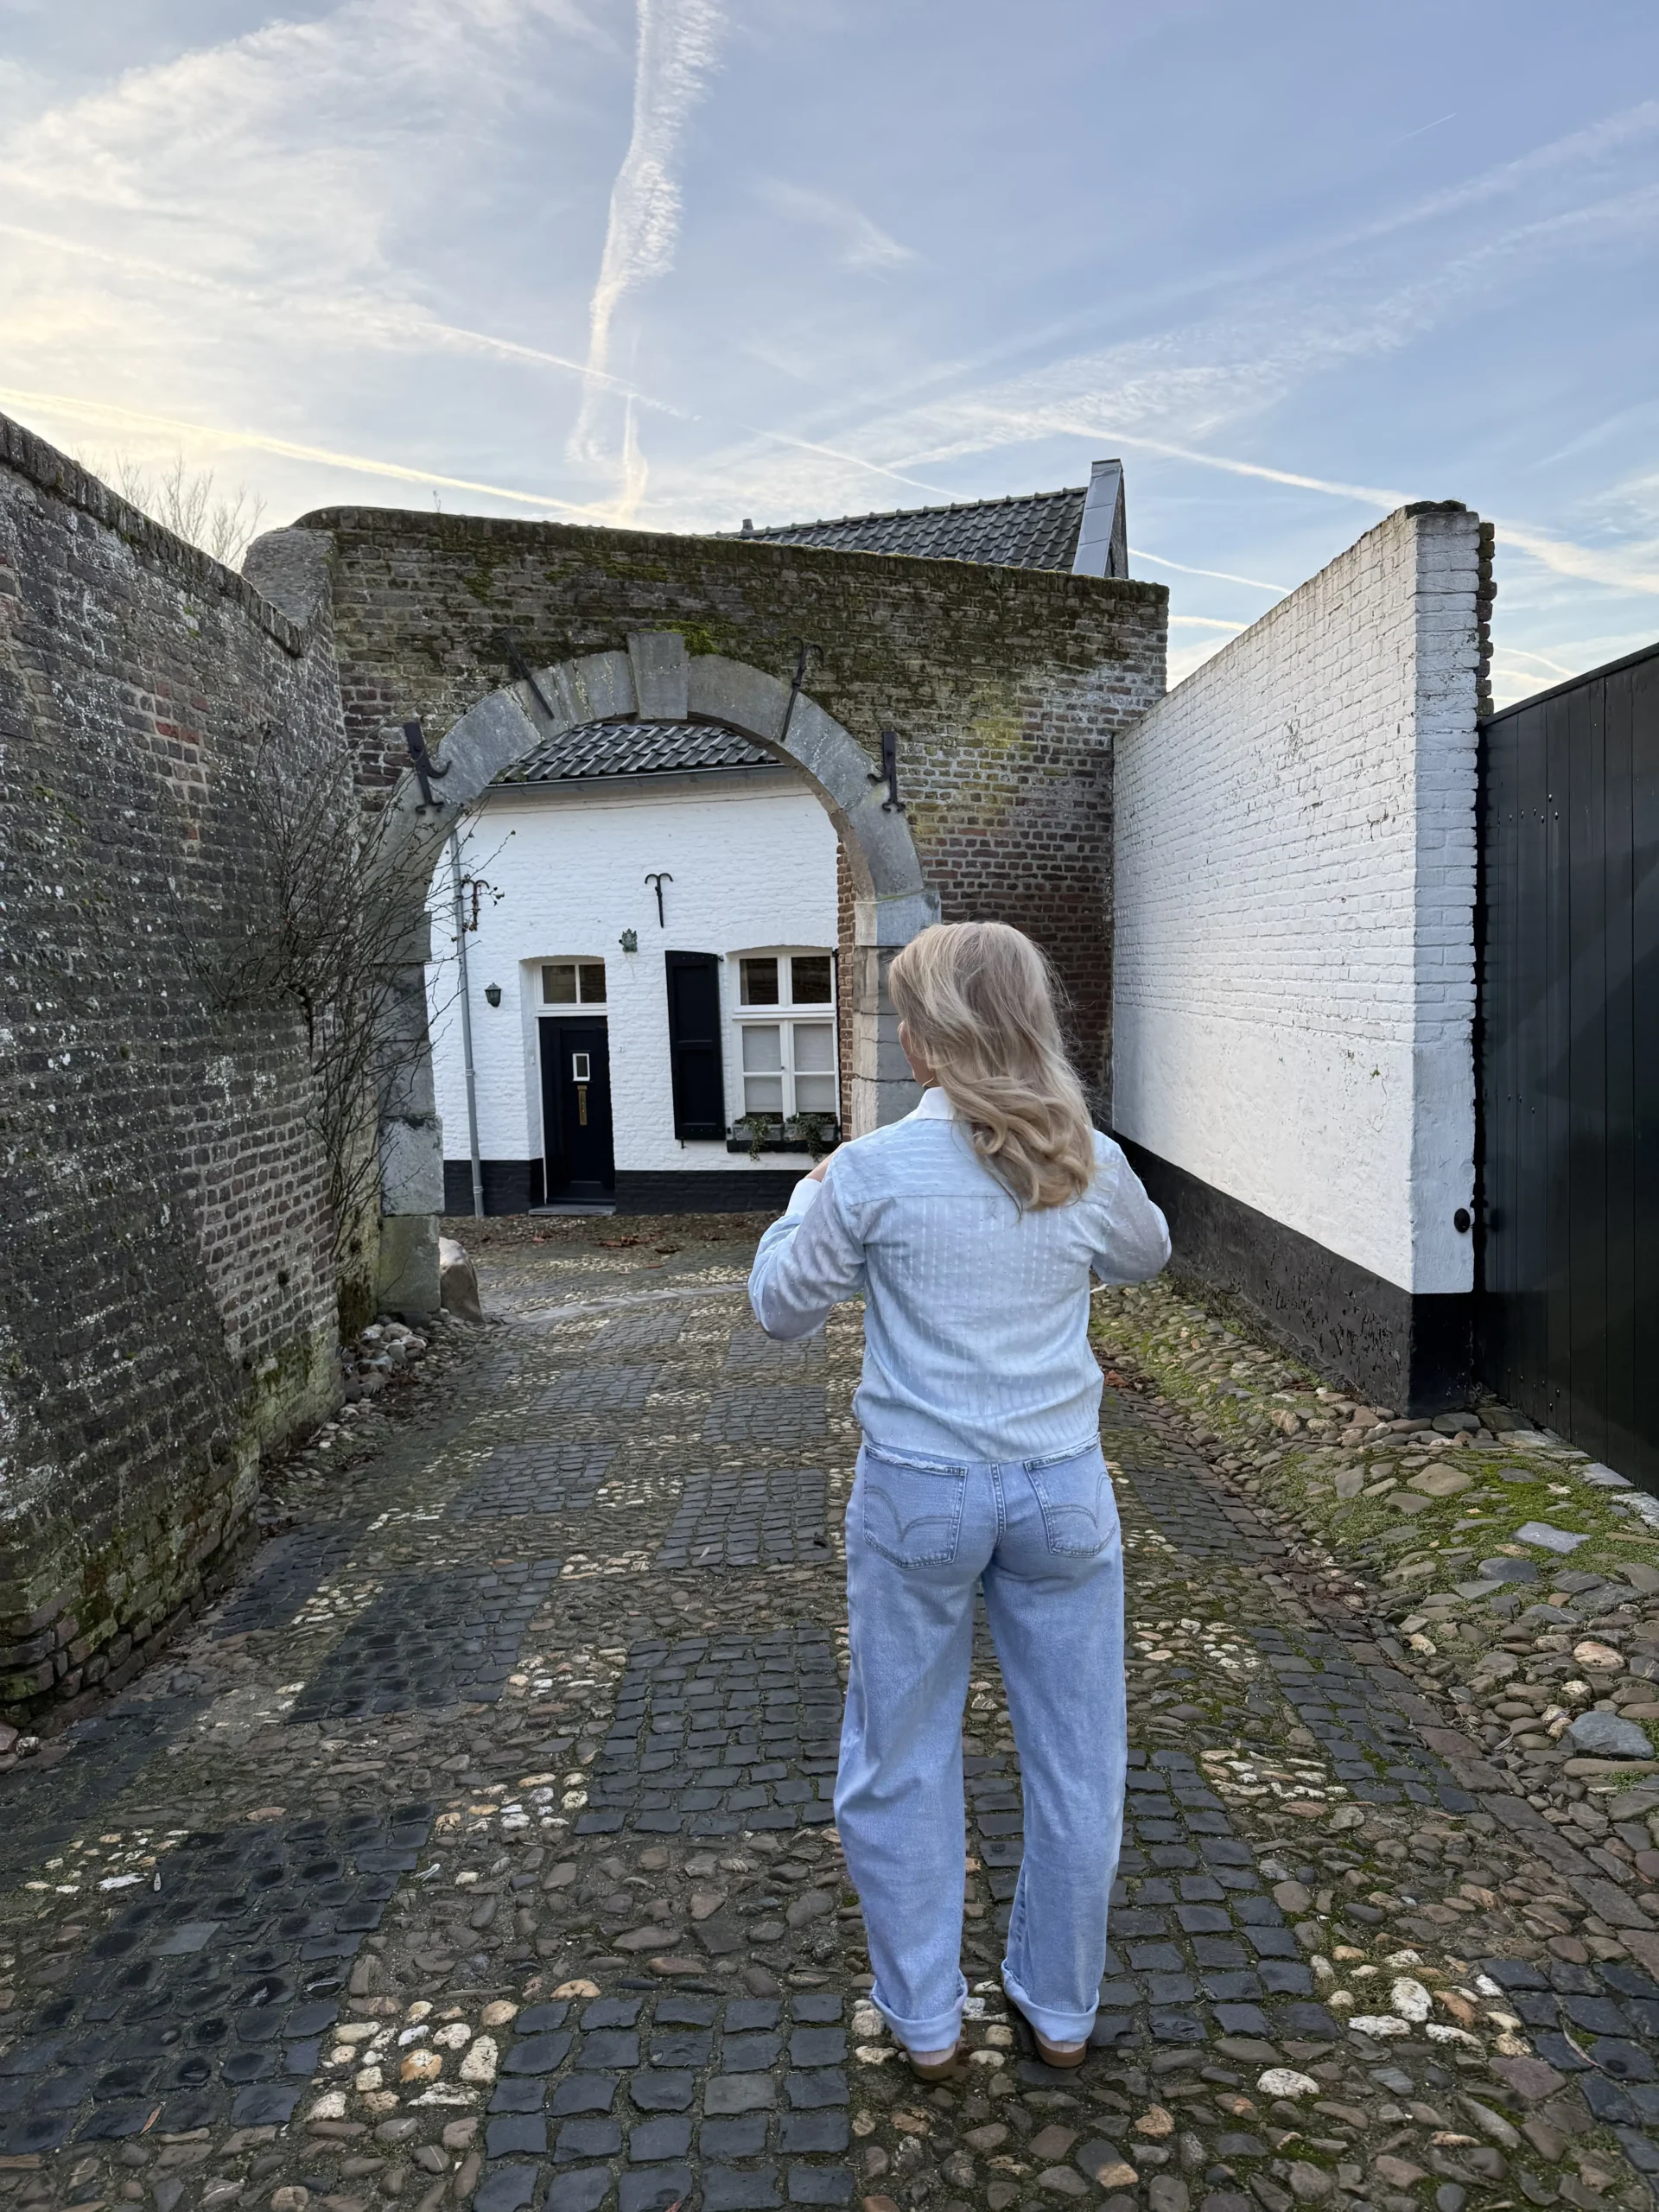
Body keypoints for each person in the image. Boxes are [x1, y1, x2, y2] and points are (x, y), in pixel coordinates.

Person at [747, 920, 1170, 2080]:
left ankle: (928, 2023)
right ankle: (1061, 2011)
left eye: (904, 1019)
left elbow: (780, 1306)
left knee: (901, 1756)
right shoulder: (1084, 1158)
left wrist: (806, 1190)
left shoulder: (872, 1172)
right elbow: (1147, 1255)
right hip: (1063, 1498)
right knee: (1080, 1759)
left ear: (928, 1043)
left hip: (920, 1496)